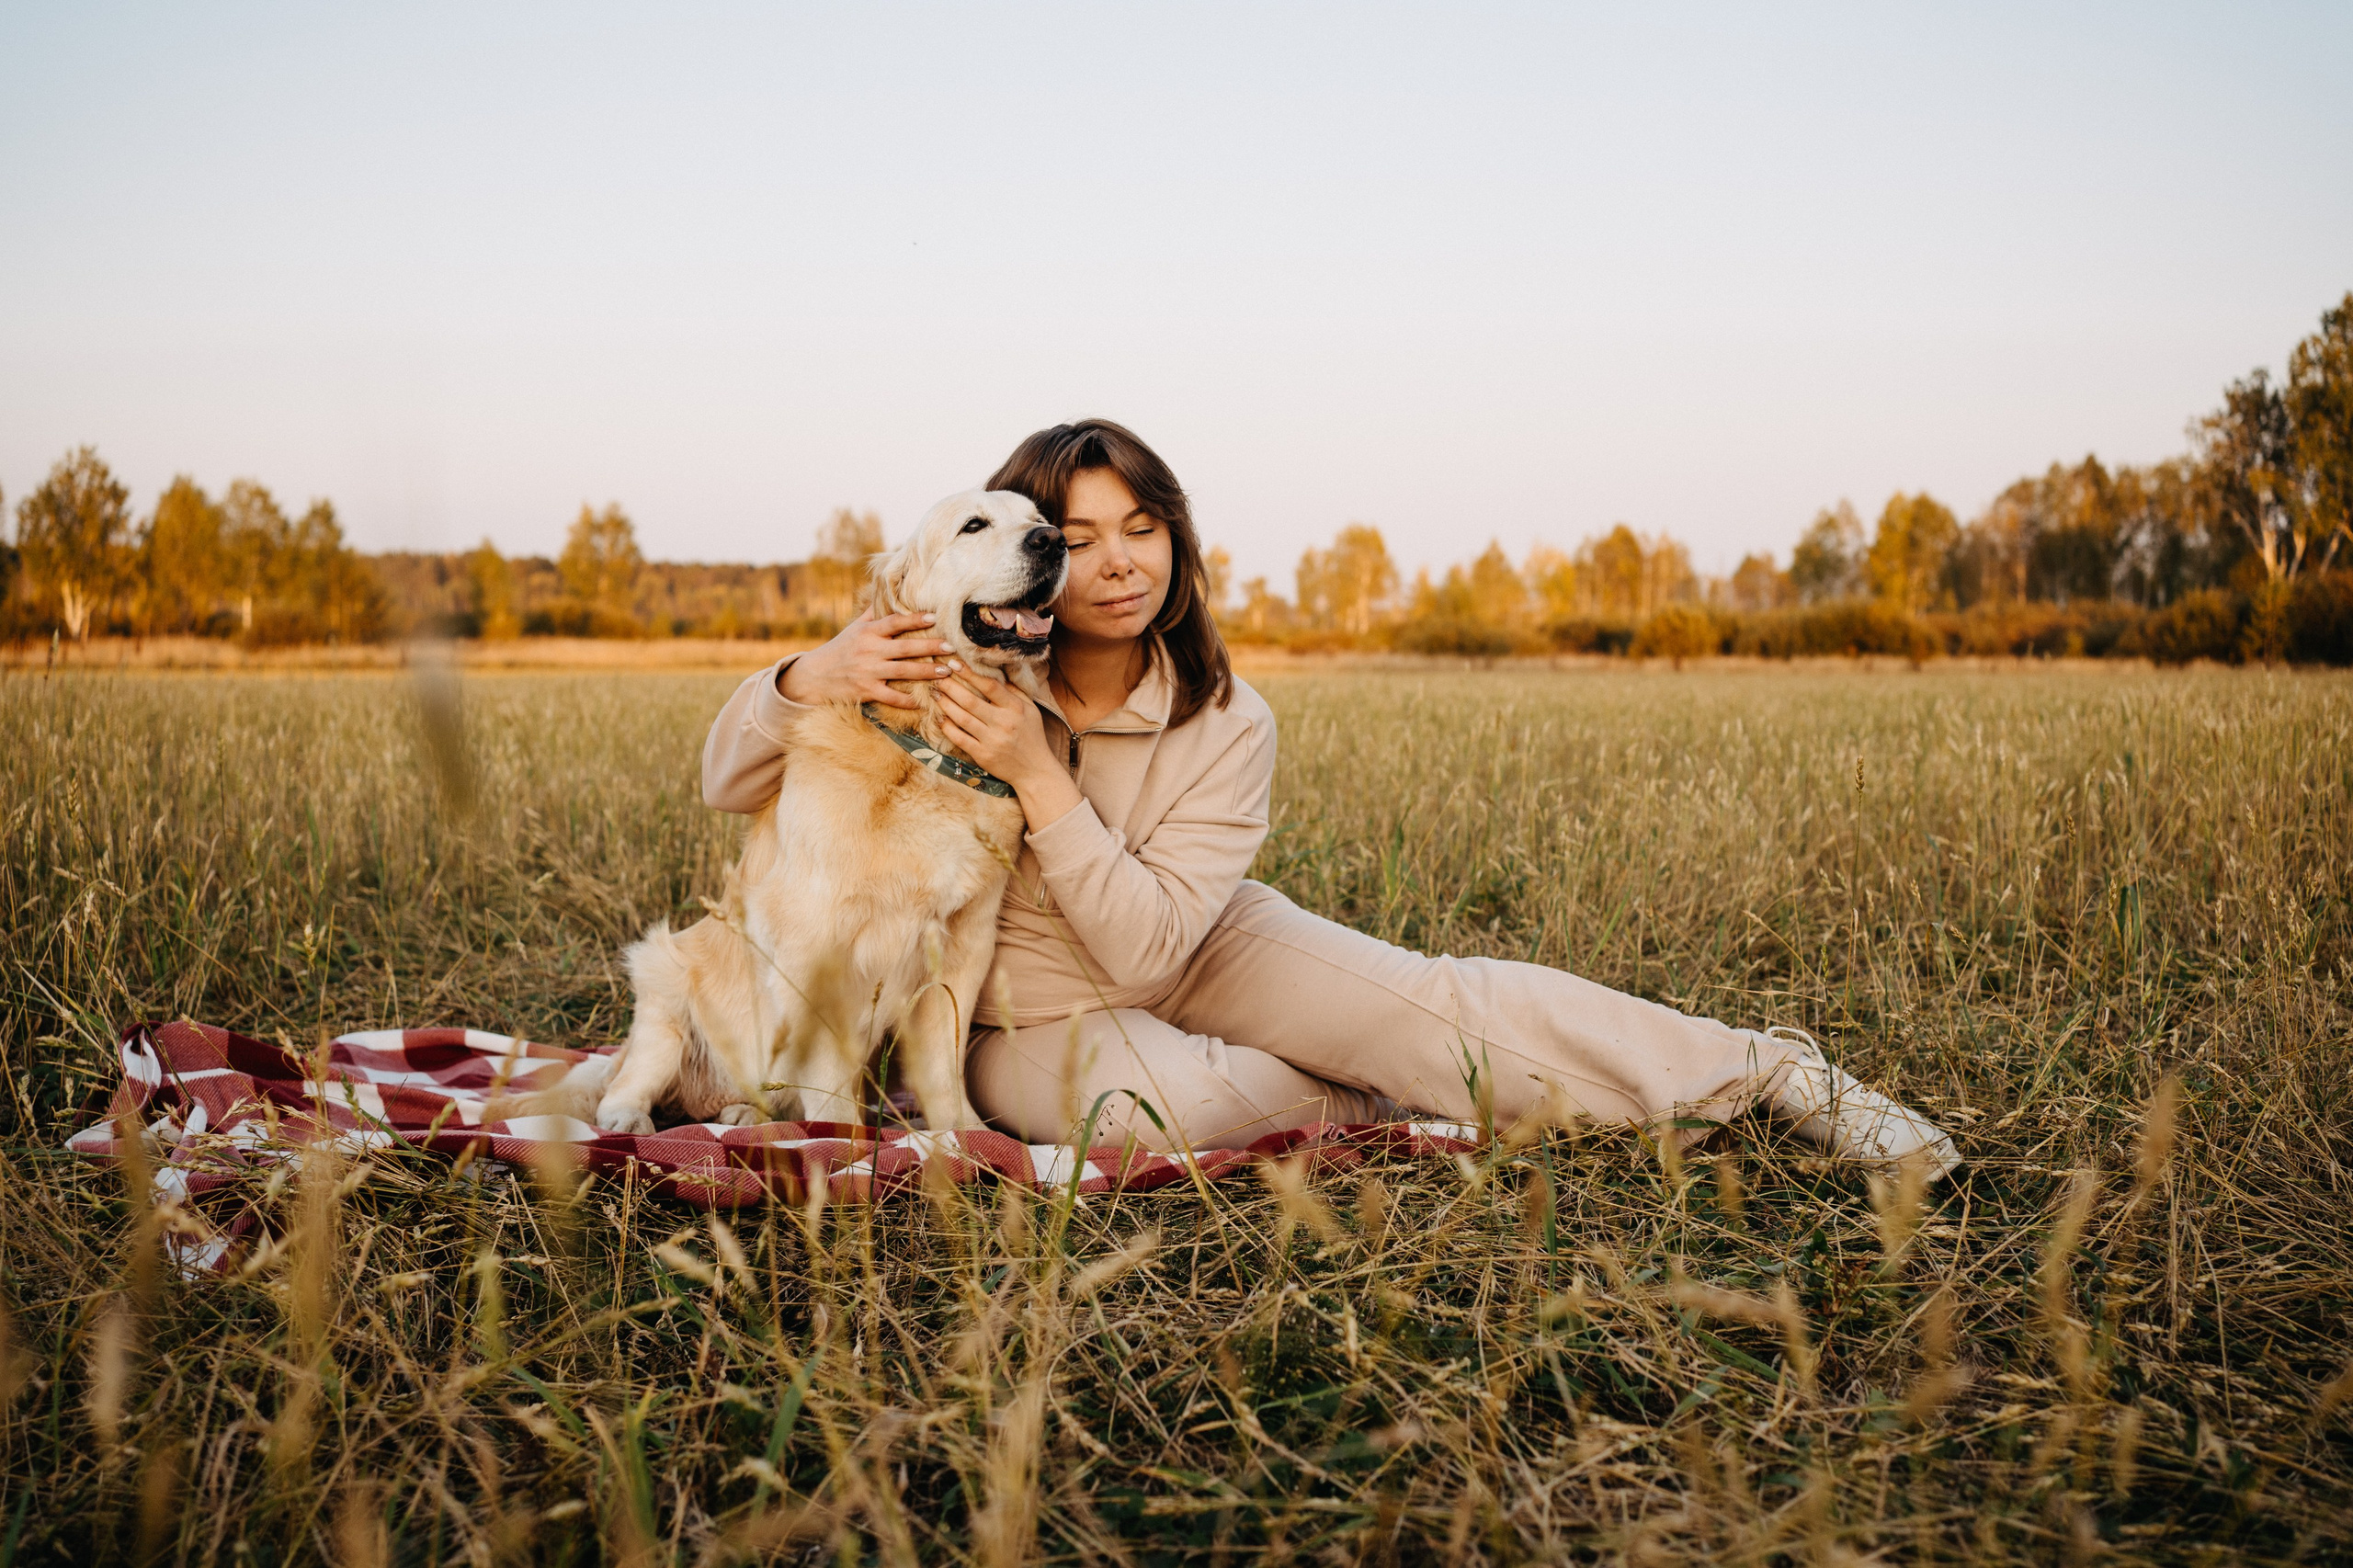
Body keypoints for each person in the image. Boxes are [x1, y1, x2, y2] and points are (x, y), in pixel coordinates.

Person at [702, 420, 1959, 1178]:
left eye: (1144, 526)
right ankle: (1377, 1097)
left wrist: (1039, 777)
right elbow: (731, 779)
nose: (1118, 560)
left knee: (1439, 1004)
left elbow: (1150, 938)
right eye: (1078, 536)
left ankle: (1768, 1075)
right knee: (1165, 1111)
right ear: (1024, 547)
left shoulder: (1227, 718)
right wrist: (802, 673)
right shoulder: (935, 657)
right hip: (1020, 1008)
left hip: (1193, 939)